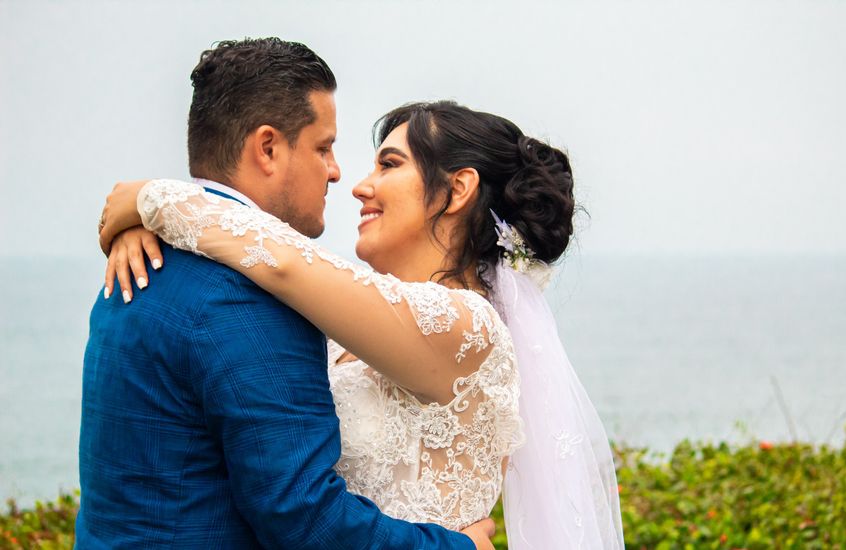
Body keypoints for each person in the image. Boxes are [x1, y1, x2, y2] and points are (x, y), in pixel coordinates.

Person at [99, 99, 624, 548]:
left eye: (389, 165)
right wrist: (147, 229)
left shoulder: (468, 326)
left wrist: (152, 199)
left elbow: (282, 262)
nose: (359, 186)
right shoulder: (345, 328)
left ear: (460, 187)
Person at [79, 38, 494, 549]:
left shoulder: (140, 264)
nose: (340, 173)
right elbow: (303, 517)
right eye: (323, 147)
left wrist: (150, 202)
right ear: (269, 148)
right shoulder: (252, 299)